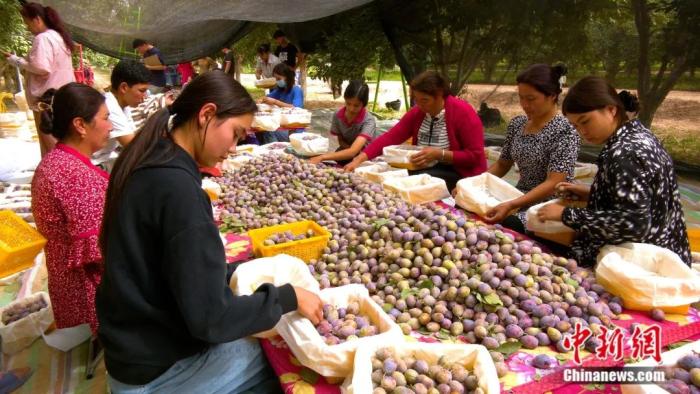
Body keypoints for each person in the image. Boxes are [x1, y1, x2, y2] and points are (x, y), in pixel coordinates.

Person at [96, 71, 323, 392]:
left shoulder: (149, 155)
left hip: (129, 351)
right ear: (206, 115)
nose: (234, 147)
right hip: (153, 372)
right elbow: (211, 319)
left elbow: (171, 262)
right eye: (235, 133)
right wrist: (288, 296)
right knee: (280, 357)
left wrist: (230, 268)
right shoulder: (179, 191)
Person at [537, 76, 692, 267]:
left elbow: (633, 224)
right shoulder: (639, 134)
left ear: (611, 109)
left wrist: (565, 214)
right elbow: (644, 198)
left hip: (645, 263)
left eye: (585, 122)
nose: (582, 132)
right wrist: (592, 193)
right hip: (672, 250)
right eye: (576, 126)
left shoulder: (623, 154)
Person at [31, 83, 112, 334]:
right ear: (80, 125)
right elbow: (97, 252)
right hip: (87, 293)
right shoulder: (71, 174)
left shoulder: (61, 161)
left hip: (69, 281)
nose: (111, 126)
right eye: (105, 118)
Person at [345, 71, 487, 190]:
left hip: (460, 174)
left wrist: (440, 154)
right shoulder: (418, 112)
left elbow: (475, 156)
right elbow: (390, 137)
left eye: (424, 100)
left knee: (410, 179)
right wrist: (359, 159)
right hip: (426, 168)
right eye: (416, 100)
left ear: (440, 95)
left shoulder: (463, 113)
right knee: (390, 174)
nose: (419, 105)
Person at [485, 64, 579, 232]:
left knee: (509, 225)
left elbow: (554, 183)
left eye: (531, 99)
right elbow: (502, 164)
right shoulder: (517, 124)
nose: (524, 104)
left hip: (549, 203)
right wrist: (471, 183)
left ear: (551, 96)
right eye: (521, 98)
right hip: (519, 195)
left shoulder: (566, 131)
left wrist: (512, 204)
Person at [3, 2, 75, 157]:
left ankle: (55, 178)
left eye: (27, 23)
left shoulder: (43, 38)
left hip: (47, 101)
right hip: (63, 96)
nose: (27, 27)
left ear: (36, 19)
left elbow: (41, 67)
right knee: (61, 145)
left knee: (51, 149)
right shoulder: (58, 36)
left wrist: (17, 61)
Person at [93, 59, 150, 172]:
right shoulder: (109, 107)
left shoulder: (123, 105)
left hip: (107, 157)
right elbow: (135, 147)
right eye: (141, 91)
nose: (145, 97)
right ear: (124, 88)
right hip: (97, 163)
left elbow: (133, 137)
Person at [309, 80, 380, 165]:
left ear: (363, 104)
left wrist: (322, 157)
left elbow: (353, 151)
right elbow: (341, 141)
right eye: (348, 103)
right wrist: (347, 152)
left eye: (356, 105)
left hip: (365, 157)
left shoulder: (368, 121)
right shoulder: (338, 115)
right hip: (348, 152)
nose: (351, 109)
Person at [258, 63, 304, 143]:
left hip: (293, 130)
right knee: (260, 128)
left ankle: (276, 150)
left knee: (268, 128)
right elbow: (267, 98)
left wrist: (276, 102)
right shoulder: (280, 90)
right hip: (282, 126)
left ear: (287, 77)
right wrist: (261, 99)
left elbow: (295, 108)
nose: (277, 81)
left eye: (279, 79)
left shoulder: (297, 90)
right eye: (276, 79)